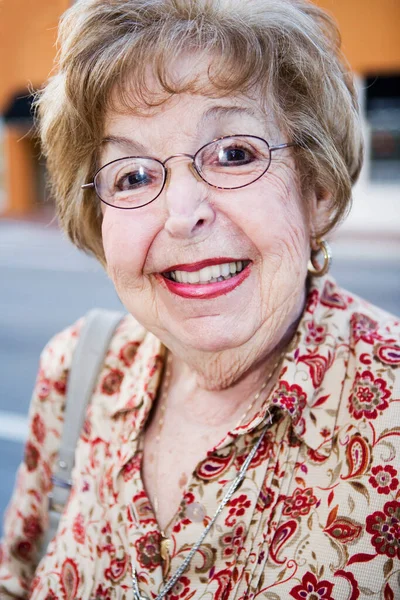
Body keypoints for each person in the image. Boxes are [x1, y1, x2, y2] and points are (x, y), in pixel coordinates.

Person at [1, 0, 400, 598]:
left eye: (234, 154)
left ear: (315, 189)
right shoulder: (76, 371)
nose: (182, 215)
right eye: (132, 175)